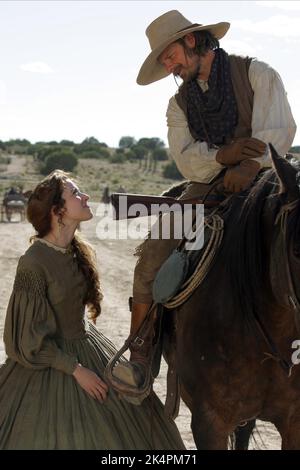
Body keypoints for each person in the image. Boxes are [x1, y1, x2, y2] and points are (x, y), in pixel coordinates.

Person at [112, 10, 296, 396]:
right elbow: (184, 157)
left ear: (191, 41)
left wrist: (250, 166)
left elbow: (278, 132)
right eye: (164, 60)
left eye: (169, 54)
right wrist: (222, 157)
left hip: (268, 178)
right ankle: (141, 352)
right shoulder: (179, 104)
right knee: (152, 256)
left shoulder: (257, 74)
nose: (169, 65)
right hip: (206, 186)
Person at [0, 170, 185, 450]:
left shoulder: (77, 250)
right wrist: (76, 370)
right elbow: (25, 342)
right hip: (51, 366)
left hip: (89, 346)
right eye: (75, 193)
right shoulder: (33, 262)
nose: (85, 196)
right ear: (57, 210)